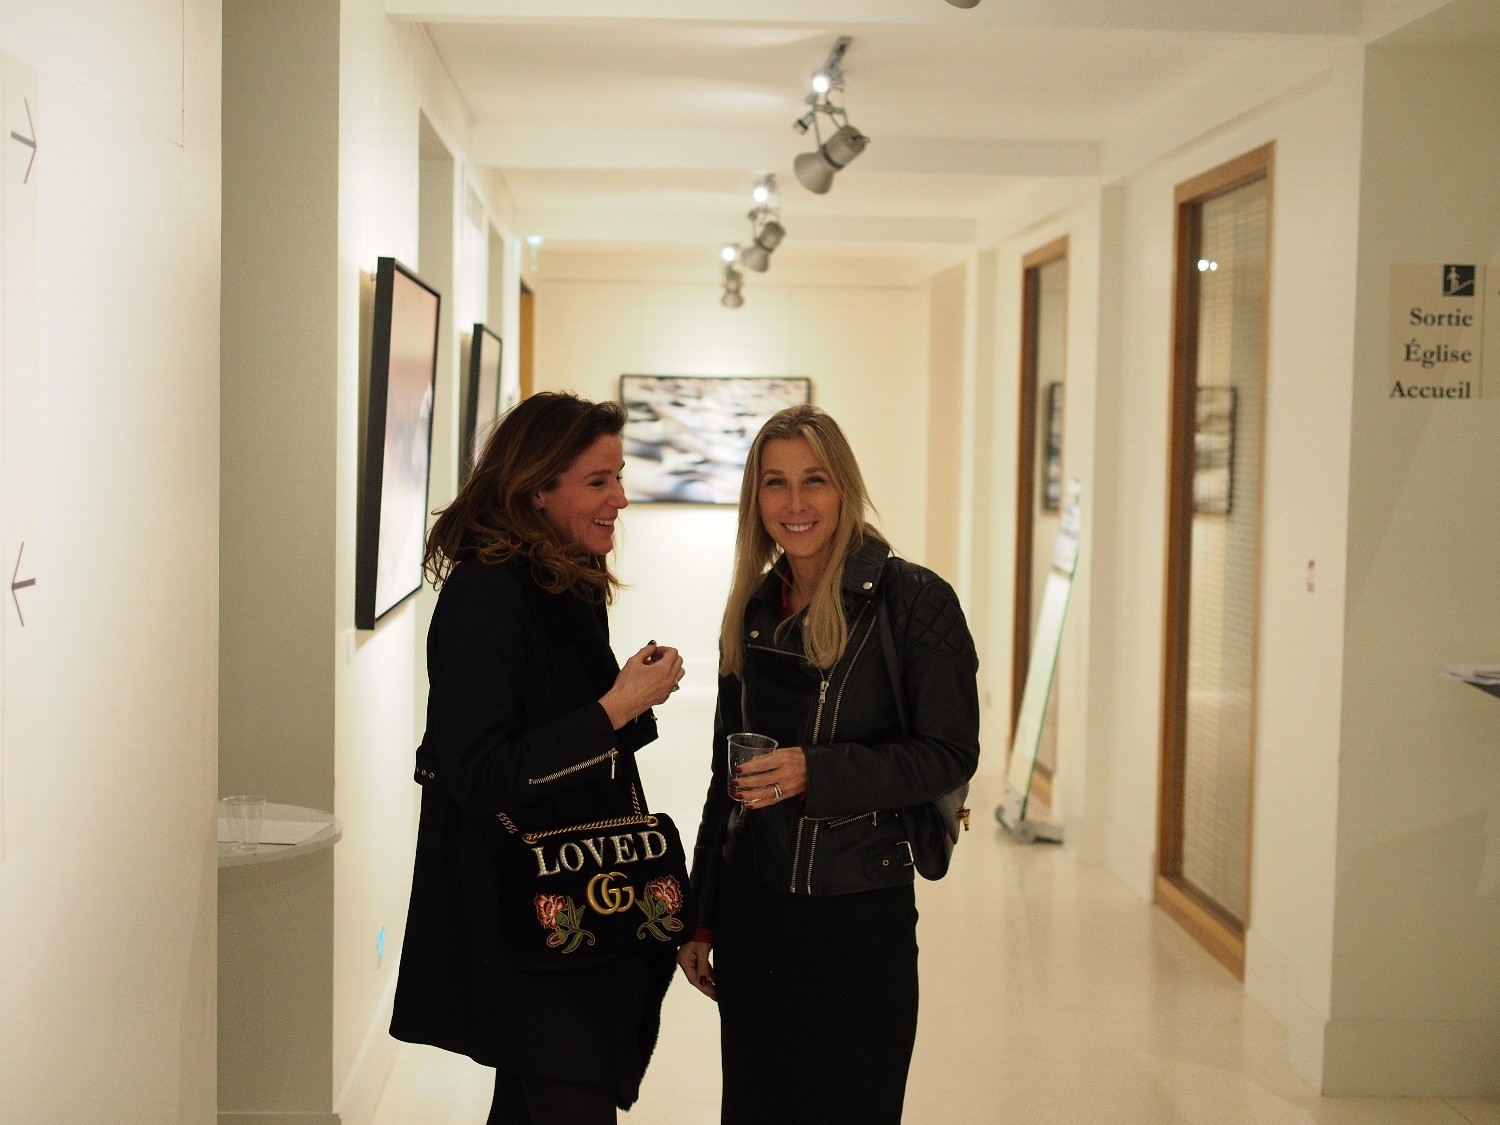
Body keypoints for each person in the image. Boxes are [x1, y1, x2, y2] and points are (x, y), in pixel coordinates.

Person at [676, 404, 981, 1124]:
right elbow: (726, 780)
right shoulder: (753, 607)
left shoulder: (914, 601)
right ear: (756, 498)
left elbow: (949, 753)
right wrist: (701, 915)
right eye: (775, 482)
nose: (795, 503)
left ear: (845, 487)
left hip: (858, 917)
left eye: (814, 480)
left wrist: (817, 770)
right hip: (756, 915)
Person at [390, 392, 686, 1125]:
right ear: (536, 490)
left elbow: (558, 723)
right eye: (598, 481)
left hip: (560, 906)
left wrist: (625, 700)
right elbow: (481, 770)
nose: (620, 498)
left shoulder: (562, 578)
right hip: (524, 911)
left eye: (619, 477)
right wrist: (617, 706)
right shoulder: (488, 594)